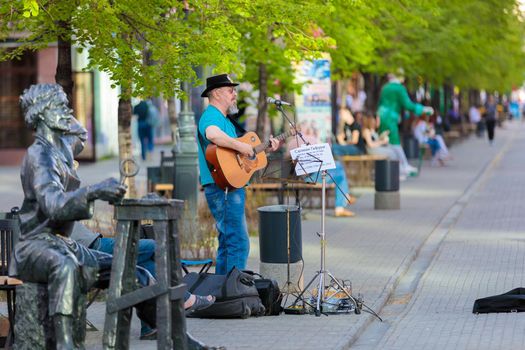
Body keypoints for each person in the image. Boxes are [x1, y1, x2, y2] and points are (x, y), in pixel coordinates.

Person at [64, 119, 214, 340]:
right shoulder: (53, 169)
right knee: (154, 246)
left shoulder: (58, 168)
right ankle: (178, 303)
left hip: (90, 245)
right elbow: (73, 208)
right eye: (75, 145)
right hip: (88, 249)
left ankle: (155, 322)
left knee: (144, 258)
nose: (77, 150)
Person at [12, 84, 127, 348]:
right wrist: (93, 191)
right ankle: (65, 343)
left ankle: (170, 332)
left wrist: (61, 109)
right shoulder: (39, 156)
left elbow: (82, 132)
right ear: (42, 114)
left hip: (64, 243)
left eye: (67, 107)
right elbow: (53, 204)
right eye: (61, 108)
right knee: (64, 266)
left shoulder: (62, 146)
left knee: (128, 269)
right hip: (35, 246)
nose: (69, 112)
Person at [197, 74, 282, 275]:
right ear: (216, 93)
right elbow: (213, 135)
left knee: (228, 242)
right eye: (230, 90)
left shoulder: (227, 120)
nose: (235, 94)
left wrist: (265, 149)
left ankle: (222, 293)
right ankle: (234, 292)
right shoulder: (211, 116)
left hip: (229, 185)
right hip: (222, 188)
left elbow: (238, 155)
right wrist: (242, 146)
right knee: (239, 241)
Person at [288, 125, 356, 217]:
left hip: (300, 177)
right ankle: (342, 201)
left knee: (339, 173)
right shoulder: (311, 139)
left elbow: (287, 160)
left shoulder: (290, 143)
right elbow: (320, 158)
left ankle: (343, 200)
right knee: (340, 172)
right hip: (312, 176)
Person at [377, 71, 433, 177]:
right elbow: (408, 104)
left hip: (382, 116)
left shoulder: (385, 88)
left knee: (388, 143)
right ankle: (402, 166)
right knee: (394, 142)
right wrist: (423, 109)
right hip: (391, 118)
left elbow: (380, 103)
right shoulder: (399, 88)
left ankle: (399, 167)